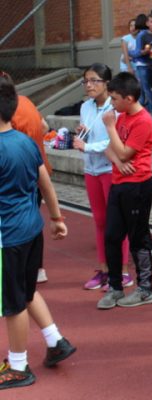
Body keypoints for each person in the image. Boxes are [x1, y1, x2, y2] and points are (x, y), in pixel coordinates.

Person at [0, 76, 76, 390]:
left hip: (8, 236)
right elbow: (44, 182)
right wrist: (56, 218)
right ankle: (54, 339)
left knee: (13, 303)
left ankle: (18, 366)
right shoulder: (25, 141)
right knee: (27, 291)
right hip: (32, 227)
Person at [96, 72, 152, 309]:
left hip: (138, 185)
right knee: (112, 235)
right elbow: (109, 149)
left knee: (138, 237)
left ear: (129, 98)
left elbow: (123, 152)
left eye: (114, 98)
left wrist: (110, 128)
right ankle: (115, 287)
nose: (111, 103)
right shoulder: (121, 117)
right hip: (119, 183)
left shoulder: (143, 121)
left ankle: (146, 288)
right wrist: (118, 161)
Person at [72, 63, 132, 291]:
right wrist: (82, 135)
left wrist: (87, 146)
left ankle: (123, 271)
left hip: (110, 169)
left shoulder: (114, 107)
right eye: (85, 81)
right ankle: (104, 269)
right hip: (92, 169)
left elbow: (113, 142)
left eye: (94, 80)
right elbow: (91, 135)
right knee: (99, 220)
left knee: (117, 222)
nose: (89, 85)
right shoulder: (85, 107)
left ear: (106, 83)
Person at [3, 70, 52, 284]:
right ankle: (36, 268)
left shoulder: (9, 118)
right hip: (35, 166)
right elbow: (44, 126)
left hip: (17, 174)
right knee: (32, 218)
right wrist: (57, 217)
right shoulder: (25, 101)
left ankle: (27, 270)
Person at [129, 14, 150, 109]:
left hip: (141, 64)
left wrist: (129, 52)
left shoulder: (140, 35)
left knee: (143, 89)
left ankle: (145, 108)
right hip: (148, 64)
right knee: (147, 87)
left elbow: (138, 52)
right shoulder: (148, 33)